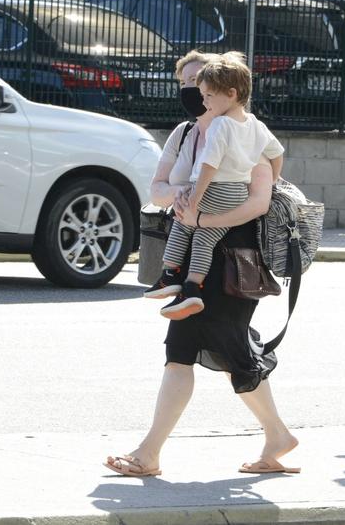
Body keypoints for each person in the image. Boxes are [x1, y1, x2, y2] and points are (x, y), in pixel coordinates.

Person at [103, 50, 299, 477]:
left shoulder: (246, 134)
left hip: (232, 260)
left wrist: (201, 217)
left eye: (201, 83)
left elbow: (259, 202)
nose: (194, 92)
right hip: (194, 250)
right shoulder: (188, 134)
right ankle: (155, 452)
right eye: (188, 84)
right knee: (186, 352)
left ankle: (271, 436)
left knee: (229, 352)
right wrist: (180, 198)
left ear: (225, 90)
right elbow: (158, 189)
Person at [144, 53, 285, 319]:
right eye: (187, 84)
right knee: (202, 240)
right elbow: (278, 153)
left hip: (231, 251)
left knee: (184, 223)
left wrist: (195, 203)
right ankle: (191, 287)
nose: (199, 96)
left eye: (203, 89)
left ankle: (168, 275)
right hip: (231, 197)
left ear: (229, 92)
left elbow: (210, 167)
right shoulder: (252, 125)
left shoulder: (222, 124)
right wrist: (276, 176)